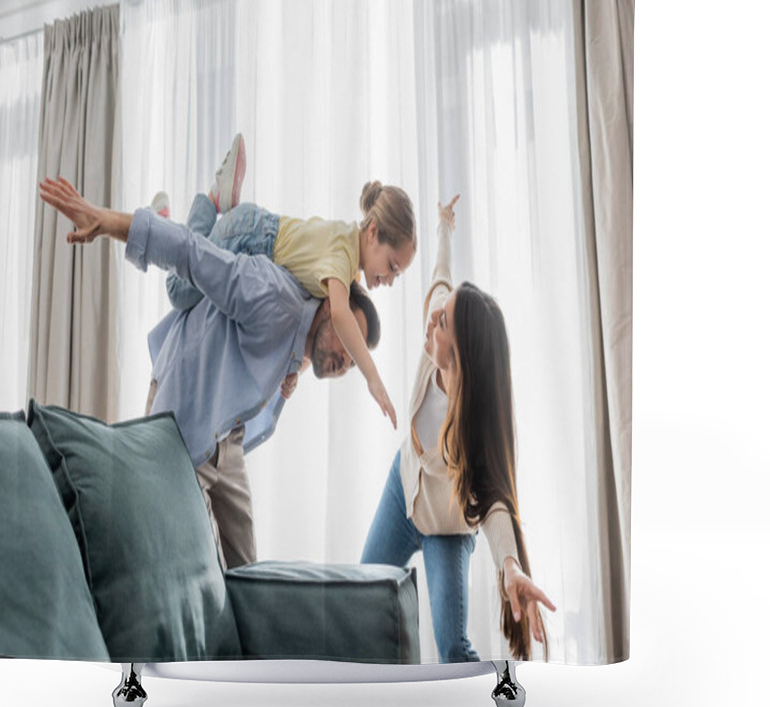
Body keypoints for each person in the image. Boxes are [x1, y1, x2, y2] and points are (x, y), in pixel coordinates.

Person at [38, 175, 381, 571]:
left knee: (246, 569)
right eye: (348, 343)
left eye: (354, 362)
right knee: (186, 559)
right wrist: (105, 221)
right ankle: (204, 202)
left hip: (224, 437)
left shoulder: (298, 349)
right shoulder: (274, 297)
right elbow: (191, 253)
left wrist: (292, 377)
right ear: (327, 308)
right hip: (184, 416)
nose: (345, 362)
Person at [361, 196, 556, 662]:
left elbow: (493, 502)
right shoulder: (436, 336)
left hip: (447, 528)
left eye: (443, 321)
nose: (433, 317)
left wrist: (509, 565)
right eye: (440, 310)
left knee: (452, 646)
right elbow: (440, 276)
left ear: (462, 355)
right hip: (402, 489)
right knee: (360, 598)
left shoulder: (472, 428)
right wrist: (444, 227)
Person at [155, 134, 416, 429]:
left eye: (398, 274)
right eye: (392, 266)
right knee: (180, 292)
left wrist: (295, 372)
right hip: (249, 235)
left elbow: (315, 324)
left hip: (253, 235)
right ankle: (205, 204)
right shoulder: (343, 252)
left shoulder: (347, 272)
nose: (390, 280)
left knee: (193, 284)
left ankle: (178, 222)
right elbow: (341, 316)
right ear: (372, 232)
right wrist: (373, 378)